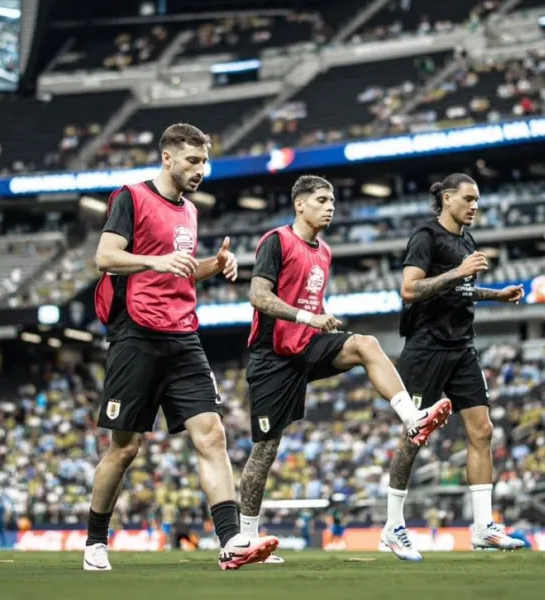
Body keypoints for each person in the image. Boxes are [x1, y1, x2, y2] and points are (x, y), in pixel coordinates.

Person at [85, 123, 274, 572]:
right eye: (192, 160)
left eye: (204, 161)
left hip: (184, 335)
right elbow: (105, 257)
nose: (201, 169)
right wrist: (155, 260)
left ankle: (231, 541)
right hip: (136, 334)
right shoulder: (131, 197)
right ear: (167, 158)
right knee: (125, 448)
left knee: (212, 434)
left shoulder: (189, 210)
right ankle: (95, 541)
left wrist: (215, 264)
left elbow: (180, 270)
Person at [238, 175, 453, 565]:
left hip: (307, 345)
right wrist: (309, 317)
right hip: (273, 356)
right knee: (266, 449)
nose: (330, 207)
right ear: (300, 204)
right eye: (322, 200)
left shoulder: (324, 251)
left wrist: (321, 319)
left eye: (333, 200)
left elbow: (309, 300)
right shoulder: (277, 241)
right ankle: (246, 540)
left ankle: (413, 418)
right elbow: (258, 295)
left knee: (365, 344)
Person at [382, 173, 526, 560]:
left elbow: (461, 289)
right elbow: (409, 290)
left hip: (462, 346)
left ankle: (483, 527)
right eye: (468, 199)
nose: (475, 206)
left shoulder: (466, 240)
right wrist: (458, 272)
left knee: (483, 430)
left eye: (477, 200)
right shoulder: (426, 237)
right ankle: (393, 525)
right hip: (426, 346)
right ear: (447, 198)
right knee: (414, 435)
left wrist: (496, 294)